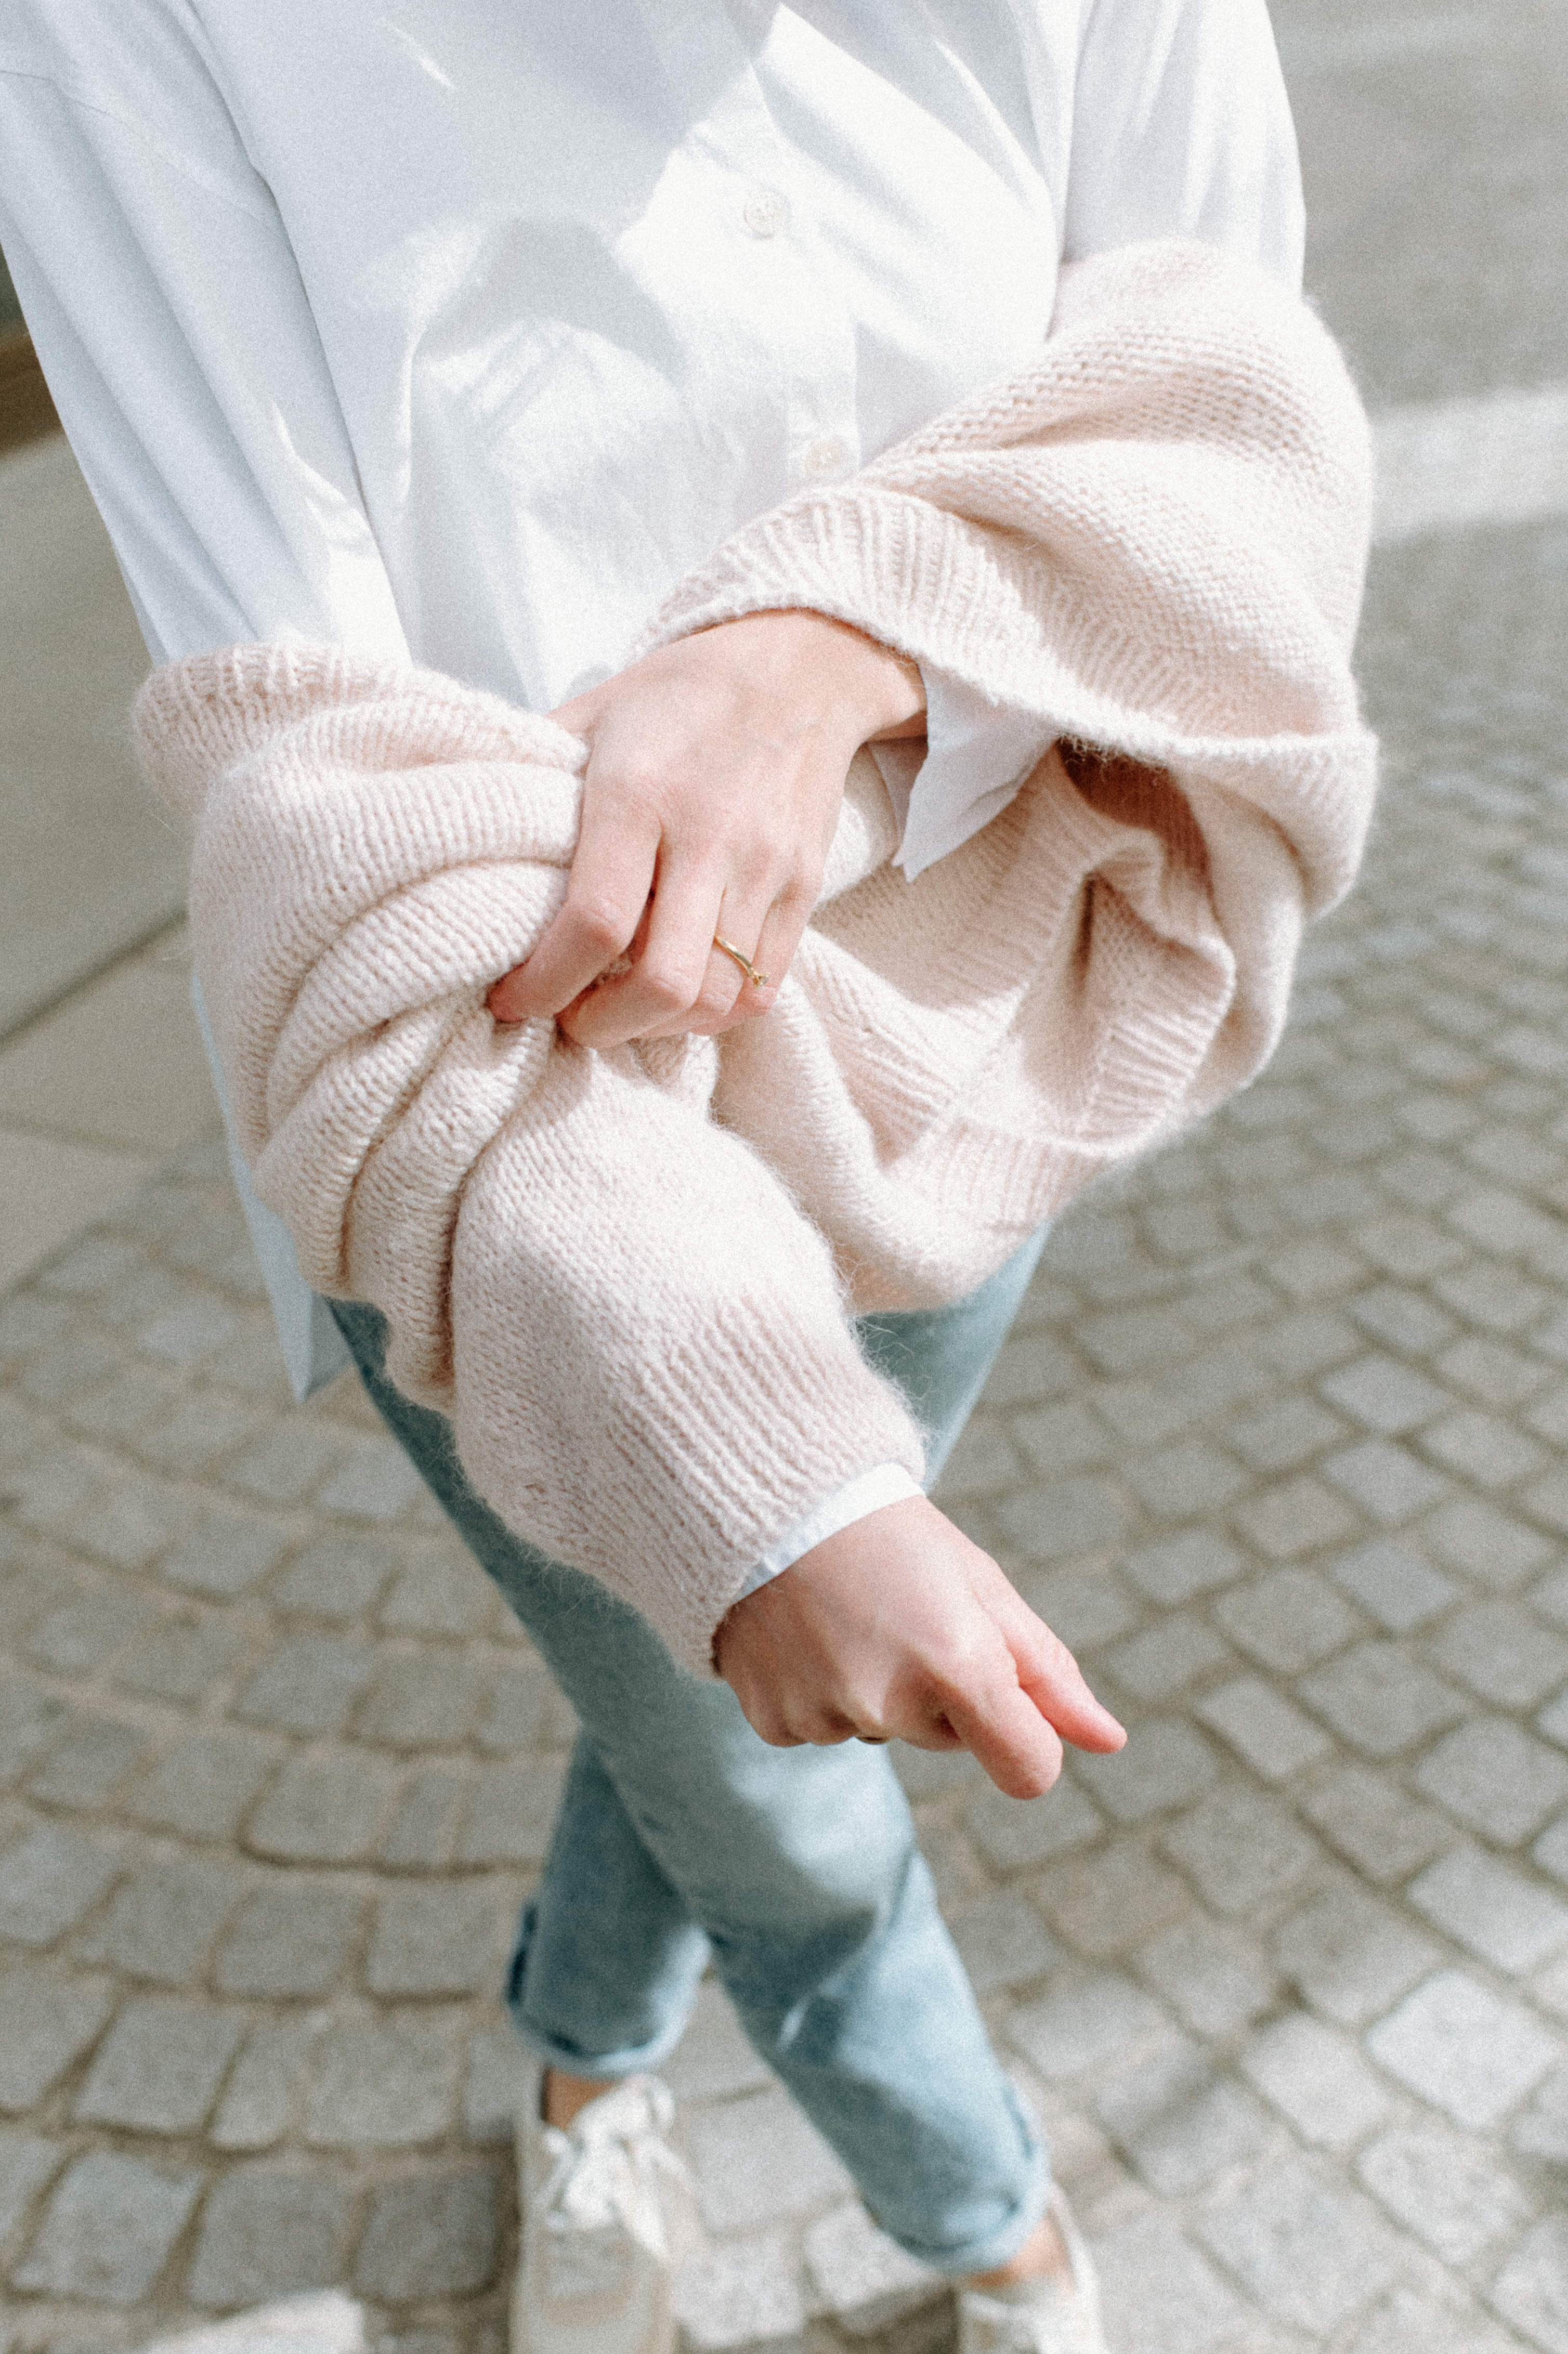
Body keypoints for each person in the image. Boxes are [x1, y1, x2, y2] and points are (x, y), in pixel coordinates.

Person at [0, 6, 1314, 2349]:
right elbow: (321, 805)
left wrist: (832, 646)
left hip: (981, 1056)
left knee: (700, 1726)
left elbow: (1238, 456)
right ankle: (985, 2226)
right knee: (794, 1807)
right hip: (518, 1156)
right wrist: (768, 1479)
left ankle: (578, 2060)